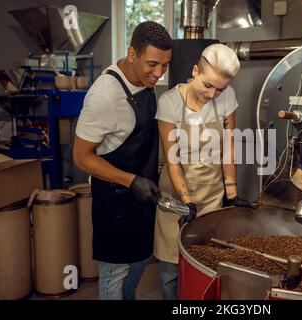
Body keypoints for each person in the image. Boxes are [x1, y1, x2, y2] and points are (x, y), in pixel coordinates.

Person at [73, 21, 172, 300]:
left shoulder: (146, 82)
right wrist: (131, 180)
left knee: (139, 262)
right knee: (115, 274)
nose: (159, 74)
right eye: (152, 64)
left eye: (165, 66)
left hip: (143, 196)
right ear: (132, 54)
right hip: (115, 200)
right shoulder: (105, 95)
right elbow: (81, 157)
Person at [153, 43, 256, 300]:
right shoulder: (169, 103)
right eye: (207, 85)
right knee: (170, 268)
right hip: (176, 197)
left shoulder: (226, 97)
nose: (212, 94)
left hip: (211, 195)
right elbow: (172, 159)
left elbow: (228, 147)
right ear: (195, 71)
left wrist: (231, 192)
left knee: (207, 262)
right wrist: (186, 201)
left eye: (219, 88)